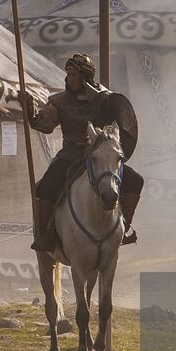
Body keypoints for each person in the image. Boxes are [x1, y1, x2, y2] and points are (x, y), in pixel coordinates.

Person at [20, 53, 142, 252]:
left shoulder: (105, 99)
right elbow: (45, 124)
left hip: (97, 157)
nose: (70, 78)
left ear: (85, 76)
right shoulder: (59, 102)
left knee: (136, 181)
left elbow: (118, 128)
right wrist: (30, 110)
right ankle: (46, 236)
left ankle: (123, 227)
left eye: (74, 74)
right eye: (68, 74)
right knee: (44, 189)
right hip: (69, 156)